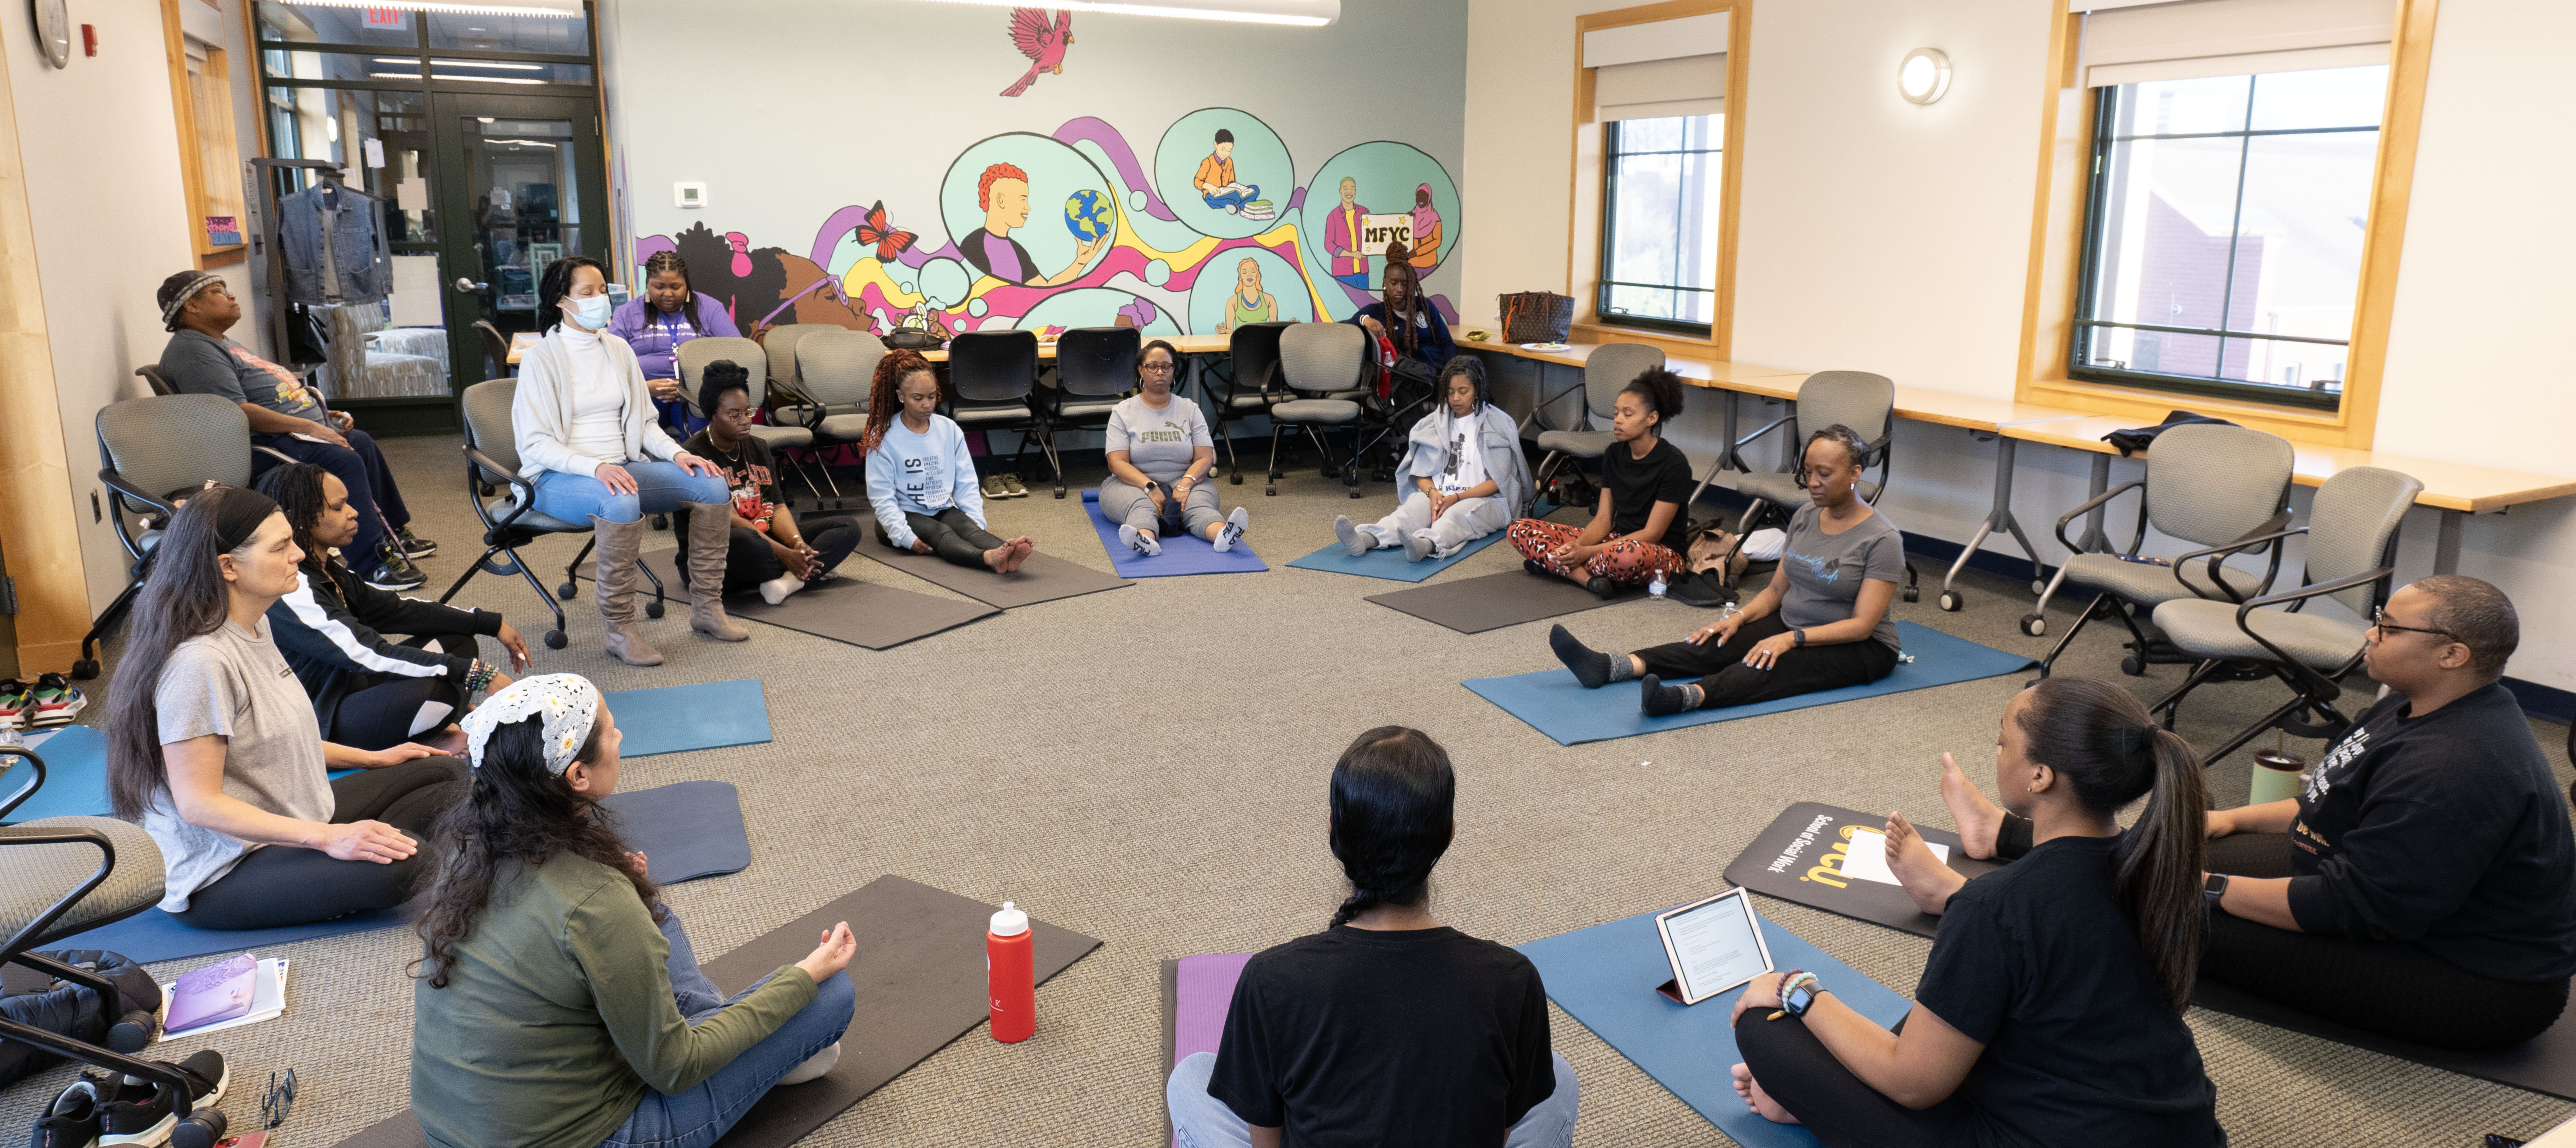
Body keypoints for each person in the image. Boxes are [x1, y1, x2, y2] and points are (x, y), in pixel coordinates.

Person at [1910, 575, 2576, 1052]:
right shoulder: (2414, 703)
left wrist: (2208, 887)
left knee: (2158, 903)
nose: (2371, 632)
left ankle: (1971, 904)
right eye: (2380, 616)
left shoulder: (2456, 766)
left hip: (2466, 981)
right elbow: (2333, 799)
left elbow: (2352, 908)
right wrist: (2227, 822)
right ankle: (2000, 832)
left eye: (2390, 627)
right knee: (2162, 851)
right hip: (2380, 892)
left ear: (2452, 653)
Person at [1729, 677, 2226, 1147]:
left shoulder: (1995, 906)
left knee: (1764, 1026)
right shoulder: (2160, 874)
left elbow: (1913, 1083)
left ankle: (1811, 1101)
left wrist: (1795, 988)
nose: (1996, 750)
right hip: (2185, 1130)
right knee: (1958, 1006)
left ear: (2040, 775)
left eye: (2002, 741)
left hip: (2039, 1133)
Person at [410, 674, 858, 1148]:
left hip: (451, 1129)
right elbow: (673, 1067)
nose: (619, 736)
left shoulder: (469, 852)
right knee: (831, 995)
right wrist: (805, 976)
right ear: (578, 776)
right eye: (609, 729)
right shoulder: (595, 899)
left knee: (651, 910)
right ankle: (750, 1048)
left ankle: (726, 1035)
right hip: (589, 1136)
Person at [1166, 727, 1578, 1148]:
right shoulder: (1512, 979)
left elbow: (1266, 1141)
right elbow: (1495, 1133)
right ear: (1449, 835)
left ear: (1333, 832)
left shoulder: (1271, 980)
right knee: (1557, 1076)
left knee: (1191, 1076)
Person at [101, 485, 469, 931]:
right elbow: (198, 804)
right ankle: (350, 852)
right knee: (410, 863)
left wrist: (376, 758)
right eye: (281, 546)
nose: (299, 553)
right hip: (225, 869)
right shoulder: (199, 662)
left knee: (447, 775)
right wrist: (329, 837)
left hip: (293, 814)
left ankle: (355, 846)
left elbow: (274, 735)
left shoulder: (255, 625)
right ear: (228, 567)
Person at [1545, 424, 1904, 717]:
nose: (1812, 482)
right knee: (1715, 642)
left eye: (1824, 474)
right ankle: (1611, 667)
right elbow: (1777, 592)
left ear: (1856, 473)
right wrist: (1738, 618)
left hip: (1861, 647)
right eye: (1808, 472)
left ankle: (1682, 698)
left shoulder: (1881, 539)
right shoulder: (1806, 517)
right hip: (1794, 622)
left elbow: (1862, 626)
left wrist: (1790, 639)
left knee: (1768, 663)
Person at [514, 255, 746, 667]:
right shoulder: (541, 358)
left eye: (603, 291)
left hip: (622, 465)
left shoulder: (618, 350)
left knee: (711, 485)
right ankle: (620, 629)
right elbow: (534, 444)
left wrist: (679, 454)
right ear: (561, 302)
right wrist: (596, 467)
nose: (599, 300)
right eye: (587, 293)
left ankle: (707, 608)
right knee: (621, 501)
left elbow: (645, 425)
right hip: (556, 476)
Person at [155, 269, 433, 591]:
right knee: (343, 458)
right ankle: (370, 564)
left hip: (290, 434)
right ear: (191, 306)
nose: (231, 296)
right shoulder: (193, 351)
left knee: (362, 443)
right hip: (260, 446)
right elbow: (236, 413)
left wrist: (322, 415)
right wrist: (311, 425)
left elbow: (269, 395)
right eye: (219, 291)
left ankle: (391, 534)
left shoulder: (220, 342)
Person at [256, 463, 532, 754]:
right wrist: (478, 674)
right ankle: (434, 728)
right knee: (438, 686)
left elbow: (398, 610)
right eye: (339, 507)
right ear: (296, 517)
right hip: (323, 720)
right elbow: (367, 653)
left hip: (356, 687)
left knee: (459, 642)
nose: (353, 512)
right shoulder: (294, 588)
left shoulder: (328, 571)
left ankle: (434, 728)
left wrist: (488, 624)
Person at [680, 360, 866, 604]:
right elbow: (728, 521)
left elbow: (777, 506)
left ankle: (790, 580)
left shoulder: (758, 447)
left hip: (766, 538)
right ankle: (807, 570)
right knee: (748, 544)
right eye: (734, 415)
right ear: (712, 415)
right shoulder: (694, 456)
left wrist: (797, 546)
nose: (745, 420)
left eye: (748, 411)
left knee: (848, 527)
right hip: (715, 552)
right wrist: (785, 553)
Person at [1506, 367, 1691, 597]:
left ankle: (1554, 566)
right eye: (1616, 414)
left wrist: (1586, 552)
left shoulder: (1674, 464)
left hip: (1657, 552)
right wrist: (1577, 548)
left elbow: (1652, 533)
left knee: (1627, 556)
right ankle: (1586, 579)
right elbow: (1603, 520)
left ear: (1651, 419)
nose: (1618, 420)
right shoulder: (1614, 454)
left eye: (1628, 414)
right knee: (1519, 528)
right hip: (1613, 542)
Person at [1333, 357, 1526, 562]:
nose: (1455, 399)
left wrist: (1457, 498)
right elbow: (1421, 474)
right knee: (1408, 513)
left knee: (1456, 517)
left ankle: (1425, 545)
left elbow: (1497, 483)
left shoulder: (1498, 425)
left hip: (1485, 500)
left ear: (1477, 389)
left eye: (1463, 391)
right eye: (1450, 392)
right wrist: (1433, 494)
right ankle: (1365, 539)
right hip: (1440, 494)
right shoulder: (1434, 423)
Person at [859, 349, 1036, 572]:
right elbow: (881, 496)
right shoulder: (883, 436)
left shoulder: (949, 429)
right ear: (901, 395)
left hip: (941, 507)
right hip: (902, 515)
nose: (927, 404)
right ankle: (990, 559)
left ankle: (1008, 553)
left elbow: (966, 481)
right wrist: (903, 537)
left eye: (932, 396)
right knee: (942, 534)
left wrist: (975, 522)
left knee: (968, 530)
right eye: (918, 398)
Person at [1100, 340, 1249, 557]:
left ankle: (1223, 536)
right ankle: (1145, 541)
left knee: (1199, 506)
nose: (1160, 372)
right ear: (1141, 370)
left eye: (1167, 367)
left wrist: (1185, 485)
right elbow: (1117, 463)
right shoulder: (1123, 411)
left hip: (1185, 478)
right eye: (1152, 366)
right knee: (1141, 507)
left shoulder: (1190, 409)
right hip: (1132, 483)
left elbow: (1205, 458)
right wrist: (1150, 487)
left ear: (1174, 371)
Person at [607, 250, 741, 439]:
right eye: (659, 287)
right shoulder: (627, 313)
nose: (668, 294)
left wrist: (695, 388)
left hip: (694, 396)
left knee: (704, 437)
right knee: (635, 437)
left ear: (687, 284)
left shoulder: (710, 308)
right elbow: (609, 363)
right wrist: (645, 387)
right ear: (647, 285)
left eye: (676, 287)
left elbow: (739, 354)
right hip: (644, 395)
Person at [957, 162, 1103, 287]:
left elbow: (1044, 289)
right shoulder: (973, 245)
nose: (1028, 208)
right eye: (1022, 200)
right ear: (1001, 200)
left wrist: (1080, 263)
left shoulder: (1017, 251)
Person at [1347, 253, 1454, 382]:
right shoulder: (1377, 311)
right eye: (1394, 283)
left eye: (1405, 283)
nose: (1400, 289)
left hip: (1436, 373)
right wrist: (1366, 320)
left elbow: (1447, 341)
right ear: (1385, 283)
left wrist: (1451, 372)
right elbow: (1348, 326)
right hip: (1404, 377)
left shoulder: (1424, 306)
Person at [1194, 128, 1268, 217]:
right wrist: (1209, 186)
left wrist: (1240, 188)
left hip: (1229, 192)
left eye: (1229, 151)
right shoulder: (1208, 162)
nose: (1225, 153)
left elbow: (1232, 182)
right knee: (1230, 197)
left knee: (1255, 189)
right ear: (1216, 145)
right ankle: (1243, 204)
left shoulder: (1229, 161)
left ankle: (1237, 207)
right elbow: (1197, 182)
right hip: (1212, 196)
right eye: (1223, 149)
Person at [1323, 177, 1371, 289]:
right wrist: (1352, 254)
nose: (1349, 192)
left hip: (1362, 271)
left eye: (1352, 188)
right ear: (1340, 191)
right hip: (1342, 273)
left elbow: (1371, 237)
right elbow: (1329, 245)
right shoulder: (1333, 216)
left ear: (1355, 191)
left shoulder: (1364, 212)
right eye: (1345, 188)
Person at [1212, 257, 1278, 336]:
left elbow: (1276, 330)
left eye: (1253, 271)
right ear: (1240, 277)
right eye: (1245, 272)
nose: (1249, 275)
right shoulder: (1233, 302)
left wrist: (1289, 327)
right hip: (1242, 347)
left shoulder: (1269, 300)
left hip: (1263, 346)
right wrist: (1224, 331)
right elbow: (1230, 332)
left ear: (1257, 275)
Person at [1408, 183, 1443, 272]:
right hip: (1412, 266)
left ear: (1429, 197)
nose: (1420, 198)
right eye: (1418, 195)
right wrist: (1406, 220)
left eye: (1424, 195)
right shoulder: (1410, 217)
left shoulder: (1435, 219)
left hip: (1430, 266)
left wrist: (1417, 252)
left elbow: (1437, 241)